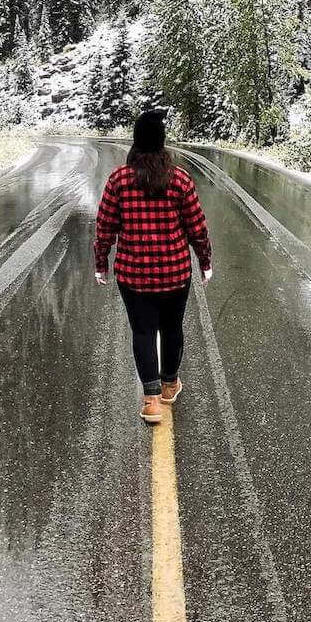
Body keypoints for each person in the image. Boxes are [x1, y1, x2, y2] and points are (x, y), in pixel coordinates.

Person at [94, 109, 213, 424]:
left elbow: (105, 225)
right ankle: (170, 385)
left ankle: (150, 402)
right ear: (162, 143)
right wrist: (205, 260)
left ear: (136, 142)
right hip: (175, 273)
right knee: (172, 328)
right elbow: (197, 226)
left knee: (143, 331)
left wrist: (101, 263)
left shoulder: (119, 179)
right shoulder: (180, 178)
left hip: (134, 275)